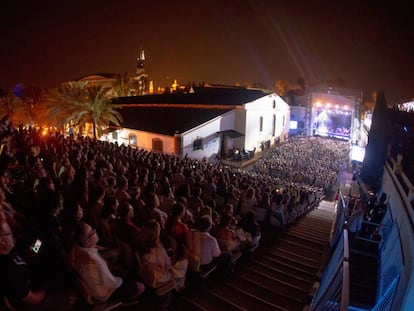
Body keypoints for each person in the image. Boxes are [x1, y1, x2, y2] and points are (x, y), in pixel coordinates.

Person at [0, 216, 75, 310]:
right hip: (29, 302)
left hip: (32, 278)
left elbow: (27, 256)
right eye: (10, 233)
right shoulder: (10, 268)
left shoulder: (9, 252)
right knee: (70, 295)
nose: (12, 236)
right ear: (2, 241)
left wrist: (30, 252)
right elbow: (30, 299)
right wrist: (45, 290)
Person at [70, 221, 145, 304]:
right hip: (105, 294)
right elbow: (111, 283)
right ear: (88, 241)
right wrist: (120, 279)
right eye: (92, 232)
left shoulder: (78, 248)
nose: (95, 231)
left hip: (97, 286)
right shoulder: (93, 260)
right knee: (141, 287)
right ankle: (124, 302)